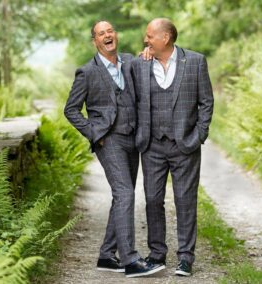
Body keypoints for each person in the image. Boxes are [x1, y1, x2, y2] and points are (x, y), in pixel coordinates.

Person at [64, 20, 164, 278]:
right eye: (101, 33)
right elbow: (71, 110)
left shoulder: (130, 61)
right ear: (95, 41)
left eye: (110, 31)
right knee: (125, 193)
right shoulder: (86, 72)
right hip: (109, 140)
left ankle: (107, 255)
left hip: (133, 138)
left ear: (115, 36)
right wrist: (94, 133)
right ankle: (130, 260)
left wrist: (149, 54)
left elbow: (148, 65)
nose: (107, 35)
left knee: (124, 194)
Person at [131, 18, 214, 276]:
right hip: (152, 145)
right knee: (153, 200)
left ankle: (186, 258)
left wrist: (198, 135)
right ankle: (157, 255)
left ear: (165, 37)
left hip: (185, 145)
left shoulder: (196, 62)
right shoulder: (140, 64)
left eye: (149, 36)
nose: (146, 40)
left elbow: (206, 102)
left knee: (185, 201)